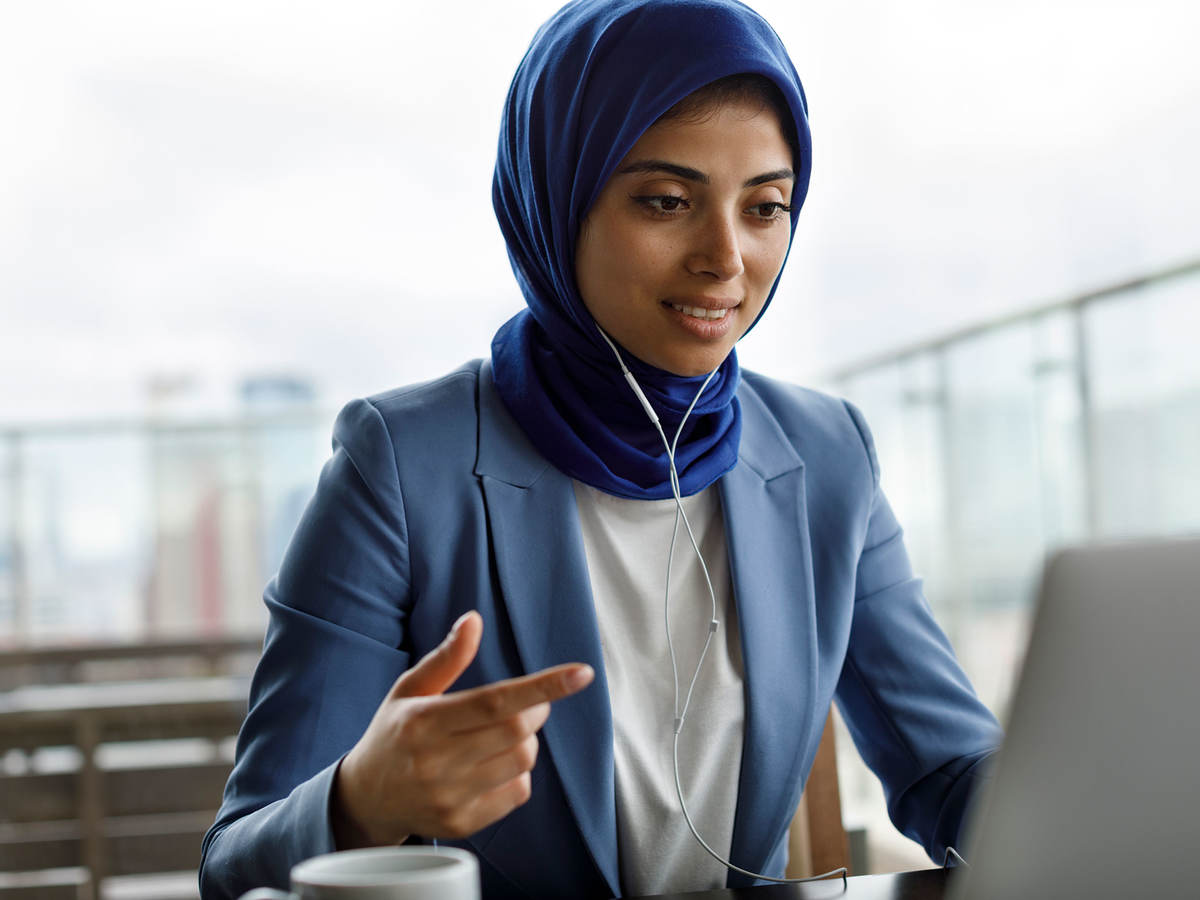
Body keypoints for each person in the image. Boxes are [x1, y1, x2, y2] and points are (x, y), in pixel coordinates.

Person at [199, 1, 1002, 897]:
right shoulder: (399, 465)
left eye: (766, 207)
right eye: (666, 201)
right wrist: (359, 800)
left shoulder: (827, 455)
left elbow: (949, 767)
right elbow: (233, 865)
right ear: (557, 198)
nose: (726, 258)